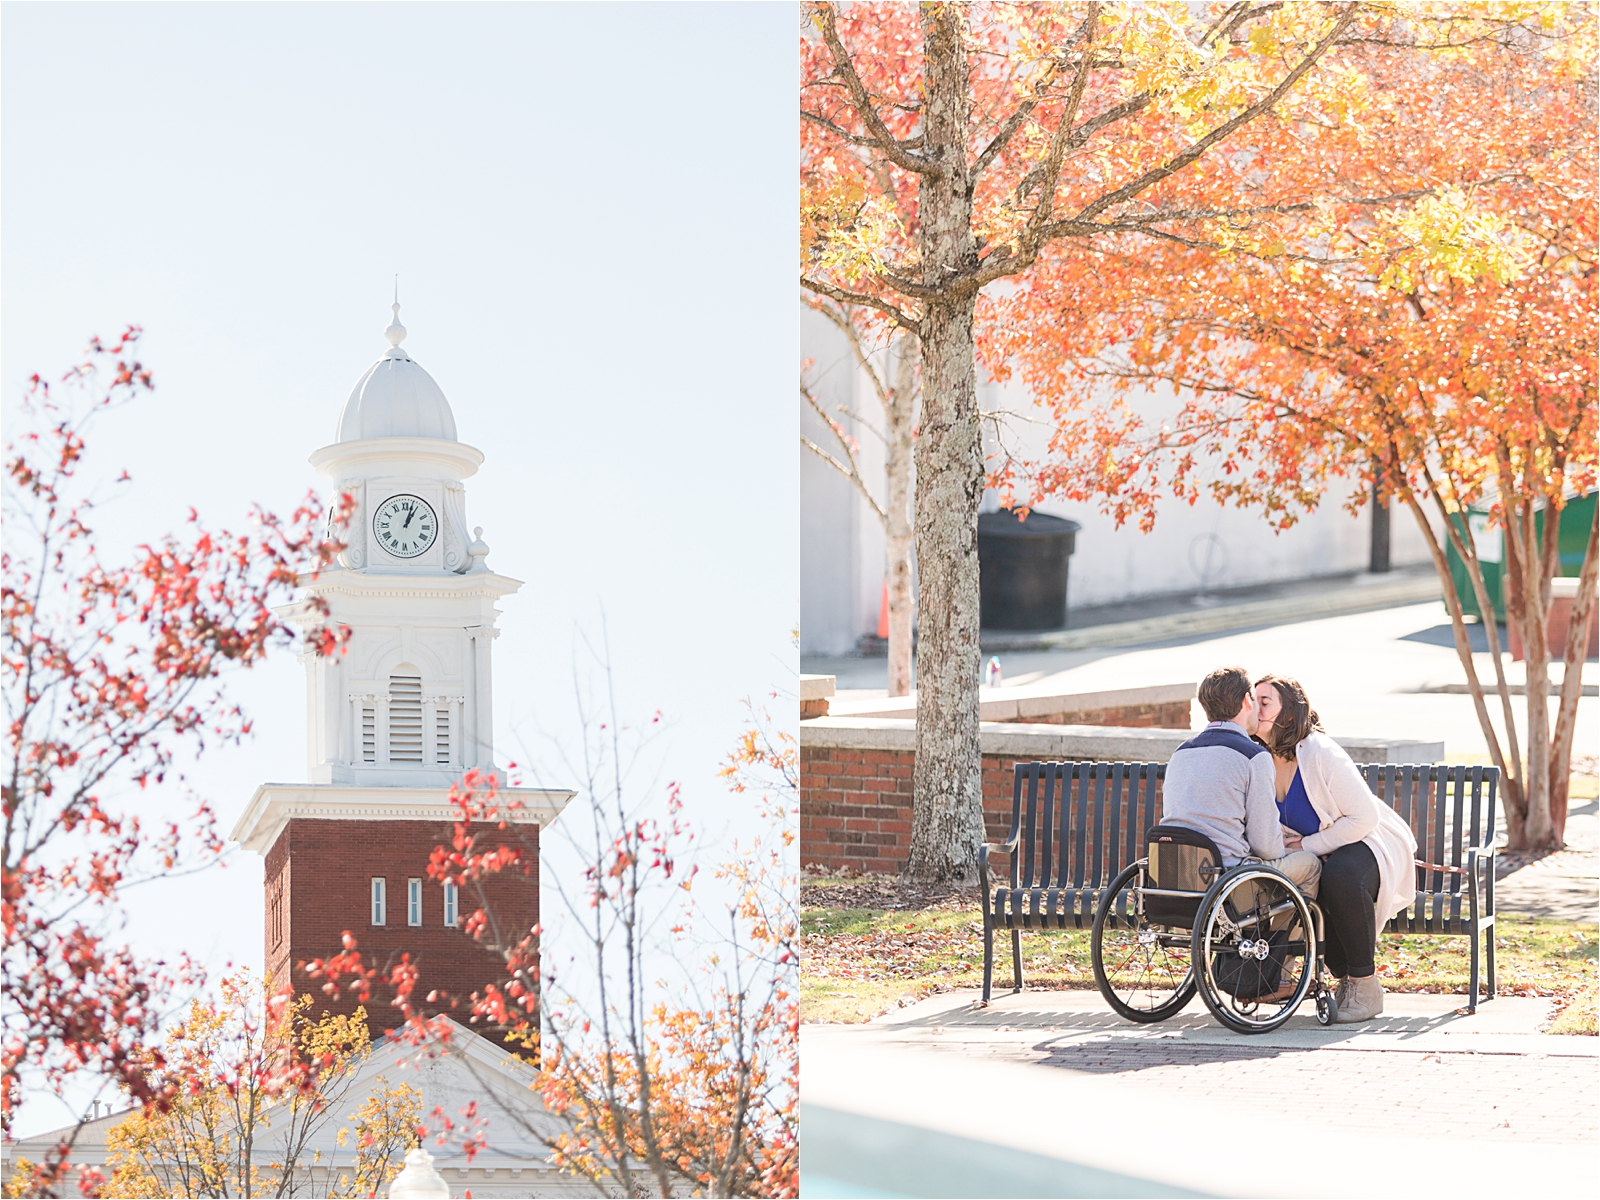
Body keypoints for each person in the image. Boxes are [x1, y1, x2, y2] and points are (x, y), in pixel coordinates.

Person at [1253, 673, 1418, 1023]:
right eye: (1253, 701)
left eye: (1265, 701)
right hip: (1319, 852)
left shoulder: (1320, 752)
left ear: (1289, 711)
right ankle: (1343, 978)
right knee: (1311, 881)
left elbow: (1364, 817)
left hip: (1367, 841)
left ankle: (1365, 985)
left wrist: (1310, 843)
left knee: (1340, 875)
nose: (1256, 708)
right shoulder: (1258, 758)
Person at [1164, 666, 1323, 901]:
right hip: (1229, 880)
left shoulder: (1181, 753)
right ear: (1246, 700)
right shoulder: (1253, 756)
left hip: (1178, 874)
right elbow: (1266, 847)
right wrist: (1285, 848)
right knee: (1309, 865)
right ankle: (1286, 937)